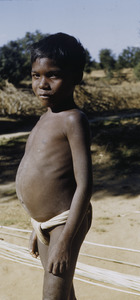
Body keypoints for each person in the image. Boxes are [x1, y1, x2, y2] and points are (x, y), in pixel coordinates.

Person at [15, 32, 93, 300]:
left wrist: (65, 242)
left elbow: (85, 184)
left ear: (76, 77)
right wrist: (36, 226)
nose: (42, 84)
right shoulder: (43, 119)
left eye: (53, 75)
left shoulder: (73, 120)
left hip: (64, 223)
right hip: (44, 225)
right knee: (63, 294)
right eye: (36, 75)